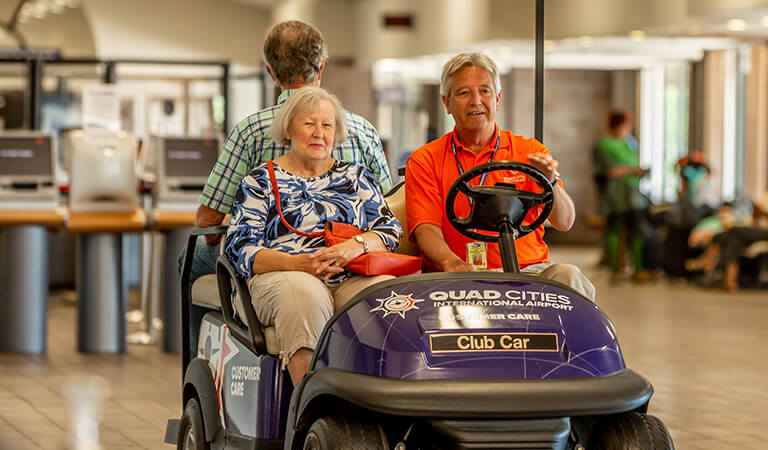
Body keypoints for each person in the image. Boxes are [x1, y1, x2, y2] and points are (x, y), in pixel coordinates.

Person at [187, 20, 392, 281]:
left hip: (277, 262)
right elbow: (389, 208)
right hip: (352, 261)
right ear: (322, 67)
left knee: (191, 258)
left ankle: (216, 321)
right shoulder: (363, 129)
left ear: (270, 72)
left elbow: (208, 226)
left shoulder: (250, 131)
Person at [224, 87, 401, 385]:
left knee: (388, 300)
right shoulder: (260, 180)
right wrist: (299, 264)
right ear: (289, 128)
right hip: (284, 275)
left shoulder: (356, 176)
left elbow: (390, 230)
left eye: (327, 125)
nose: (319, 133)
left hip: (350, 273)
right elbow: (239, 249)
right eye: (309, 123)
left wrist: (354, 247)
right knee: (305, 296)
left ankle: (382, 407)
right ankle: (311, 414)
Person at [405, 52, 595, 302]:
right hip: (460, 278)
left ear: (497, 98)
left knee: (569, 276)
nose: (476, 101)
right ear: (447, 103)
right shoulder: (425, 159)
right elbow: (426, 229)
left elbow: (565, 221)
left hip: (530, 273)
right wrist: (451, 262)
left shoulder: (530, 152)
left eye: (484, 91)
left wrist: (549, 181)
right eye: (463, 93)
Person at [593, 110, 649, 283]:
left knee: (637, 232)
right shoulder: (604, 145)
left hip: (633, 194)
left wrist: (636, 172)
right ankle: (615, 270)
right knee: (614, 231)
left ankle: (638, 269)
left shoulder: (630, 142)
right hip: (614, 196)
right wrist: (630, 170)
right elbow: (606, 172)